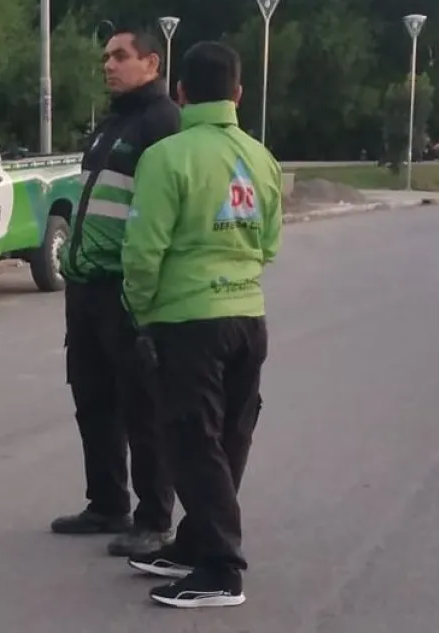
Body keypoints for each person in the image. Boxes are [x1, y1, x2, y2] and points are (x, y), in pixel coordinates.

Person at [120, 41, 282, 608]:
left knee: (191, 440)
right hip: (247, 317)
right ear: (238, 94)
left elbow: (142, 252)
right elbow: (270, 244)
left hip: (188, 320)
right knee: (229, 437)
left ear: (182, 92)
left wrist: (142, 312)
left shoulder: (168, 157)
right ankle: (195, 541)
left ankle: (220, 566)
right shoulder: (262, 159)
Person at [51, 27, 180, 558]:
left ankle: (154, 518)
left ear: (151, 62)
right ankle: (107, 502)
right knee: (93, 399)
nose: (108, 65)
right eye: (106, 57)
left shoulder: (160, 121)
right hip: (85, 286)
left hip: (124, 288)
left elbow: (164, 206)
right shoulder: (111, 122)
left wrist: (144, 289)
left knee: (141, 406)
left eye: (120, 56)